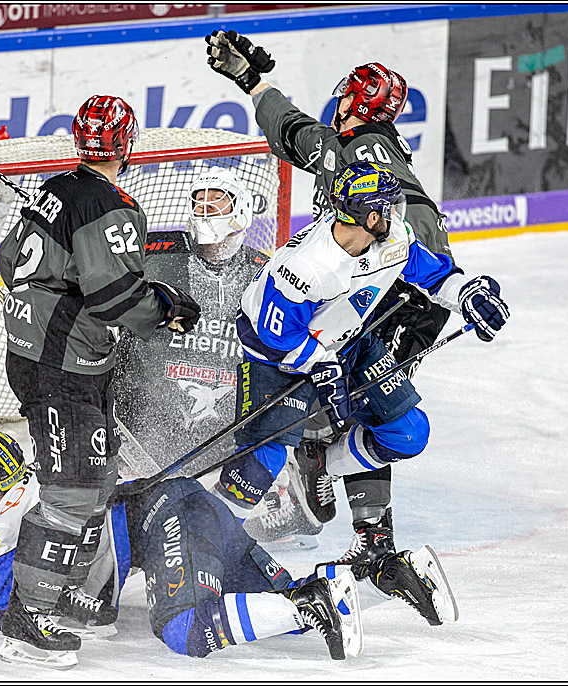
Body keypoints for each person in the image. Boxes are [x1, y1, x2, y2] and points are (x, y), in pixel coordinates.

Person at [196, 159, 508, 608]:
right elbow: (271, 336)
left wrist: (467, 293)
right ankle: (201, 552)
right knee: (261, 460)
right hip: (272, 357)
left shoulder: (391, 238)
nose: (397, 216)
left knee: (407, 431)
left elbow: (433, 274)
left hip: (349, 340)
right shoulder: (309, 267)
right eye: (388, 208)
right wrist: (322, 368)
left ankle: (321, 462)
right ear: (370, 217)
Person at [205, 30, 462, 553]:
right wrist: (254, 83)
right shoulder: (348, 148)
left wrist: (421, 291)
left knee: (362, 407)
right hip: (360, 307)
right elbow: (296, 132)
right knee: (358, 411)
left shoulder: (363, 153)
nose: (337, 102)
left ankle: (337, 493)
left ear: (355, 101)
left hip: (385, 309)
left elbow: (414, 228)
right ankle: (367, 527)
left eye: (345, 95)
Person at [0, 429, 458, 668]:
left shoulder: (17, 516)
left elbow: (8, 603)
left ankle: (314, 600)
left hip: (170, 517)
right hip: (199, 509)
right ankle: (391, 576)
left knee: (184, 629)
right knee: (284, 599)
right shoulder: (62, 474)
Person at [0, 94, 202, 660]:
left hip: (43, 357)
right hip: (62, 365)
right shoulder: (108, 205)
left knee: (94, 482)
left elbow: (9, 259)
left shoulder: (50, 191)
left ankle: (59, 597)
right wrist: (168, 308)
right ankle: (26, 614)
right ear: (127, 145)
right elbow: (113, 299)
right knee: (74, 491)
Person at [112, 168, 319, 549]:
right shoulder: (156, 256)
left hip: (225, 434)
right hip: (147, 428)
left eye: (216, 200)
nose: (204, 209)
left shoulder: (266, 272)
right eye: (198, 201)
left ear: (239, 210)